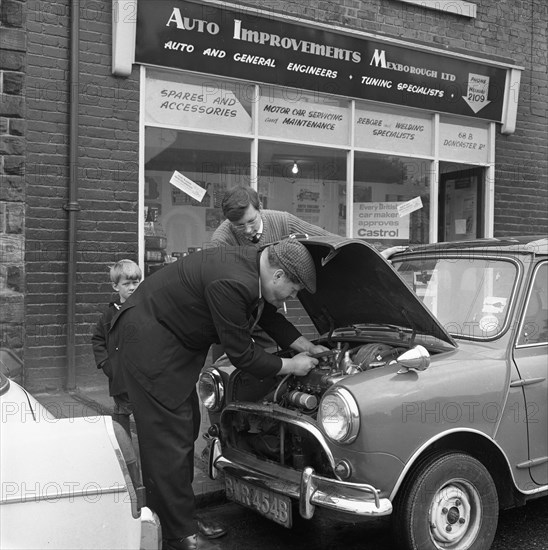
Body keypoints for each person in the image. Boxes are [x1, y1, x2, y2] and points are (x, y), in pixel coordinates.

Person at [108, 239, 329, 550]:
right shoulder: (234, 281)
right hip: (149, 346)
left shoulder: (254, 267)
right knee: (167, 440)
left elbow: (266, 315)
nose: (291, 297)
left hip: (170, 345)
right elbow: (242, 354)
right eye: (293, 290)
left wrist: (305, 346)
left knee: (183, 429)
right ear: (278, 275)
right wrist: (292, 365)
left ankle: (179, 518)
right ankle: (178, 535)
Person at [91, 259, 142, 437]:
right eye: (126, 283)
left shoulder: (145, 309)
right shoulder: (109, 314)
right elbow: (97, 339)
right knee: (122, 413)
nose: (132, 287)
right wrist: (106, 363)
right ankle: (125, 448)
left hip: (143, 375)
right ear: (115, 287)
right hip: (119, 374)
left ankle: (148, 451)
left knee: (145, 415)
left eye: (136, 282)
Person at [210, 185, 335, 247]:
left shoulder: (284, 221)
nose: (248, 230)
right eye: (240, 226)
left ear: (260, 207)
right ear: (229, 221)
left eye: (252, 221)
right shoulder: (220, 240)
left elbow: (330, 239)